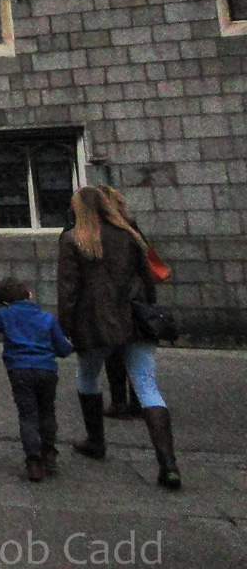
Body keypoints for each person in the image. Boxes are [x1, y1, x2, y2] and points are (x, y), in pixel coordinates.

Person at [58, 185, 180, 489]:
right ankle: (168, 464)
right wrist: (146, 312)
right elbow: (148, 280)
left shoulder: (73, 238)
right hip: (134, 319)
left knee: (87, 378)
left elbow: (68, 289)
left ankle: (96, 442)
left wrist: (65, 327)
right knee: (147, 385)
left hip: (94, 322)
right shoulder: (129, 235)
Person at [0, 276, 74, 481]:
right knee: (47, 411)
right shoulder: (47, 317)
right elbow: (63, 349)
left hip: (19, 369)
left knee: (28, 414)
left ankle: (33, 461)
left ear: (4, 301)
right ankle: (48, 452)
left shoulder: (5, 314)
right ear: (29, 295)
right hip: (46, 369)